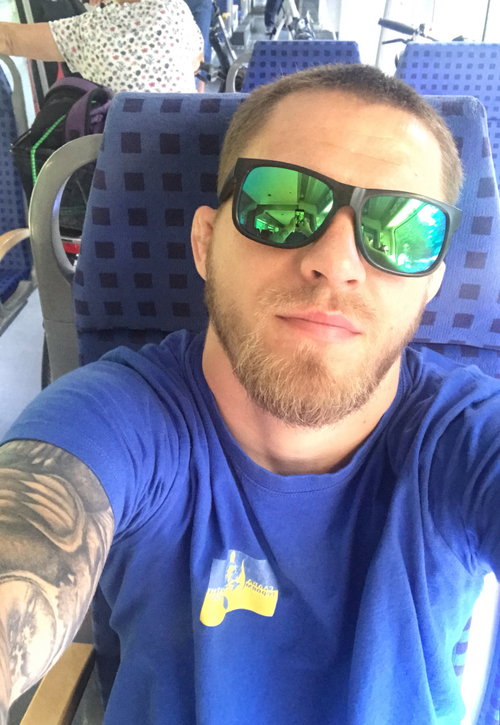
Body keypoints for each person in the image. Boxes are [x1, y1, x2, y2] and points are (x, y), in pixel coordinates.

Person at [0, 63, 498, 725]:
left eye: (402, 232)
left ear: (431, 281)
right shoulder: (118, 418)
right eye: (284, 206)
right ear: (206, 243)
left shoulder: (465, 437)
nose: (337, 263)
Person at [0, 0, 204, 93]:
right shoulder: (177, 9)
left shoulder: (90, 31)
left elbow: (8, 39)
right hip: (189, 146)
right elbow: (196, 63)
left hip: (122, 157)